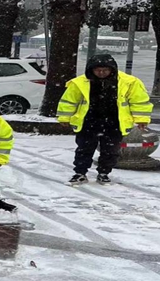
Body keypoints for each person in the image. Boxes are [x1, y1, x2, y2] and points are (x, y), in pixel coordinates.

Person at [57, 53, 152, 185]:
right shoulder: (79, 83)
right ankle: (80, 172)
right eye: (98, 70)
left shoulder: (129, 82)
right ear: (91, 70)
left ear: (112, 69)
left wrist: (142, 119)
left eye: (105, 70)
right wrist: (64, 117)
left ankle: (104, 173)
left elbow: (139, 101)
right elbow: (69, 101)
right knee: (84, 149)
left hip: (114, 122)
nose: (101, 73)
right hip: (88, 122)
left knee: (110, 150)